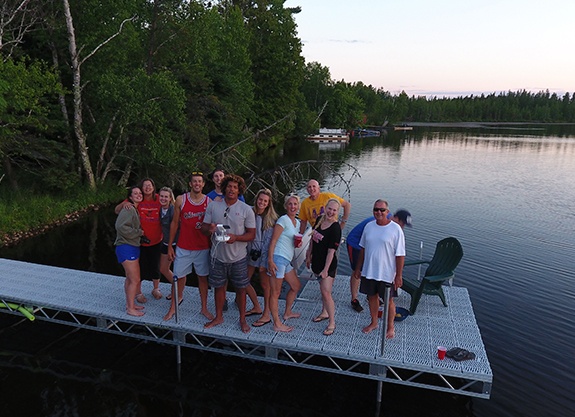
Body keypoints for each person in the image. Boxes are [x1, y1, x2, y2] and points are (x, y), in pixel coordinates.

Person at [202, 174, 255, 333]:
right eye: (229, 186)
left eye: (235, 187)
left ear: (239, 190)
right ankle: (218, 317)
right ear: (224, 188)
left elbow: (252, 234)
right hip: (217, 256)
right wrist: (209, 229)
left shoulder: (246, 209)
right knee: (218, 287)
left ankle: (242, 319)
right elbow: (203, 229)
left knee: (241, 288)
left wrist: (236, 238)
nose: (231, 189)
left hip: (238, 257)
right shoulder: (213, 206)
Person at [164, 172, 213, 321]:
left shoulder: (209, 202)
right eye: (194, 182)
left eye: (200, 181)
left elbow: (212, 225)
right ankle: (173, 307)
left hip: (202, 247)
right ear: (190, 184)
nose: (197, 184)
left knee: (203, 279)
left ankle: (204, 308)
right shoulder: (181, 200)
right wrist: (170, 246)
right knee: (177, 278)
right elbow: (174, 223)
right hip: (184, 247)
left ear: (203, 184)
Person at [352, 200, 405, 337]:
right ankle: (374, 322)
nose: (379, 212)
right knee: (371, 298)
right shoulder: (369, 227)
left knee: (388, 301)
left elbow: (400, 255)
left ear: (387, 212)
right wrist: (358, 268)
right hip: (369, 271)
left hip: (387, 273)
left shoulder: (395, 229)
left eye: (382, 210)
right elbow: (363, 249)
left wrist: (398, 275)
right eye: (376, 209)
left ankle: (390, 327)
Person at [347, 209, 412, 312]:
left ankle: (371, 295)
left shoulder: (393, 227)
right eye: (402, 223)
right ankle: (354, 299)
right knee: (357, 270)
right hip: (355, 242)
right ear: (395, 218)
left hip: (370, 244)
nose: (402, 227)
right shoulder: (378, 221)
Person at [115, 178, 163, 302]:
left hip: (156, 240)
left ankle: (156, 289)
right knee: (139, 269)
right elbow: (117, 210)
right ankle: (138, 293)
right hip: (138, 242)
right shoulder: (136, 200)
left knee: (155, 266)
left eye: (150, 185)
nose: (147, 188)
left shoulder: (158, 198)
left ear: (153, 187)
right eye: (145, 186)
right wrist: (123, 204)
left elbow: (170, 204)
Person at [305, 198, 342, 336]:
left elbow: (331, 251)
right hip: (317, 262)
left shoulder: (335, 228)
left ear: (337, 212)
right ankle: (324, 312)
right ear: (325, 208)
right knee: (322, 290)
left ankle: (332, 322)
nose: (331, 212)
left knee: (326, 292)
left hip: (328, 265)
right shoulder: (320, 219)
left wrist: (326, 270)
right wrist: (308, 255)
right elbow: (313, 239)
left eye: (334, 210)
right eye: (329, 208)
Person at [267, 193, 303, 332]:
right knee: (275, 293)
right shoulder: (283, 220)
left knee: (296, 286)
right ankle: (277, 324)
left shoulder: (297, 223)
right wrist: (270, 260)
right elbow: (274, 240)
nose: (293, 207)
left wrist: (297, 244)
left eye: (295, 204)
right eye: (290, 204)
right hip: (277, 258)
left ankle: (287, 312)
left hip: (287, 260)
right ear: (286, 206)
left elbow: (291, 241)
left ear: (298, 206)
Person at [245, 189, 278, 327]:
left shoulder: (271, 219)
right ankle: (256, 306)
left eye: (265, 201)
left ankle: (266, 314)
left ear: (268, 203)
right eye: (260, 200)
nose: (262, 203)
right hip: (250, 252)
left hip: (263, 254)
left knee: (266, 286)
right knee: (243, 280)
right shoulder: (249, 213)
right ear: (256, 199)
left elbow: (270, 241)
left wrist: (266, 261)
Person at [114, 186, 145, 317]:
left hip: (132, 246)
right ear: (130, 197)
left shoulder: (134, 209)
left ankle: (130, 304)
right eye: (135, 193)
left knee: (129, 278)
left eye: (140, 193)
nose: (138, 195)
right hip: (126, 247)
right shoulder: (129, 209)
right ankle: (130, 309)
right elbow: (120, 227)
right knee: (135, 279)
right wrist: (139, 233)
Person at [159, 187, 177, 298]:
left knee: (174, 269)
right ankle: (176, 288)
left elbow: (175, 228)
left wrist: (171, 246)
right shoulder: (159, 209)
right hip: (164, 242)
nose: (163, 198)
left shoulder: (173, 210)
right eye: (161, 196)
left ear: (170, 198)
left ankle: (177, 290)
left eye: (166, 196)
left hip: (174, 244)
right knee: (163, 269)